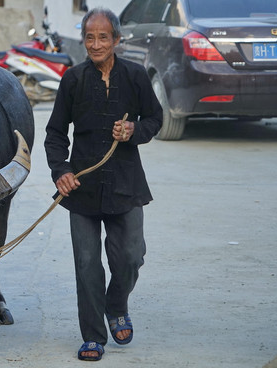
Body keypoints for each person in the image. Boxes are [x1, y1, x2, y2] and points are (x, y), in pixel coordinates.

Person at [44, 7, 163, 361]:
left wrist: (134, 131)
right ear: (84, 40)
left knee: (131, 257)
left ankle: (116, 304)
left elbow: (155, 118)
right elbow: (54, 134)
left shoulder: (135, 76)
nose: (96, 44)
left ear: (116, 40)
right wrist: (60, 170)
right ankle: (93, 334)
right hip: (82, 186)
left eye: (103, 37)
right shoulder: (74, 79)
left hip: (126, 184)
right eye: (90, 37)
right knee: (86, 263)